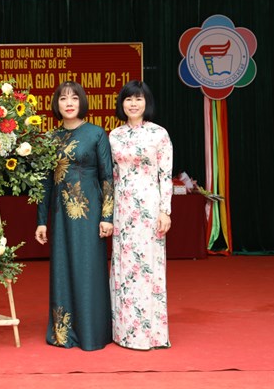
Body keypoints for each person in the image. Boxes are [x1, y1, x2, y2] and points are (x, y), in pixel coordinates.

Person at [35, 81, 114, 351]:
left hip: (89, 213)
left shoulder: (96, 134)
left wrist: (107, 216)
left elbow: (107, 177)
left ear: (82, 102)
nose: (69, 103)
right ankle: (63, 333)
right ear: (56, 104)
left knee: (87, 268)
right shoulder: (49, 138)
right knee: (62, 268)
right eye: (63, 98)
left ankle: (92, 333)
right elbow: (44, 183)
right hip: (60, 215)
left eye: (74, 98)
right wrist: (41, 221)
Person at [108, 80, 173, 350]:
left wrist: (165, 211)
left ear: (147, 103)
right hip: (123, 209)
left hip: (149, 206)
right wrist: (108, 213)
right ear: (121, 104)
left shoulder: (159, 134)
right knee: (124, 268)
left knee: (148, 268)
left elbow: (165, 175)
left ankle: (152, 334)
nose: (133, 104)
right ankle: (123, 332)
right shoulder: (114, 136)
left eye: (138, 99)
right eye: (128, 99)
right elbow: (111, 177)